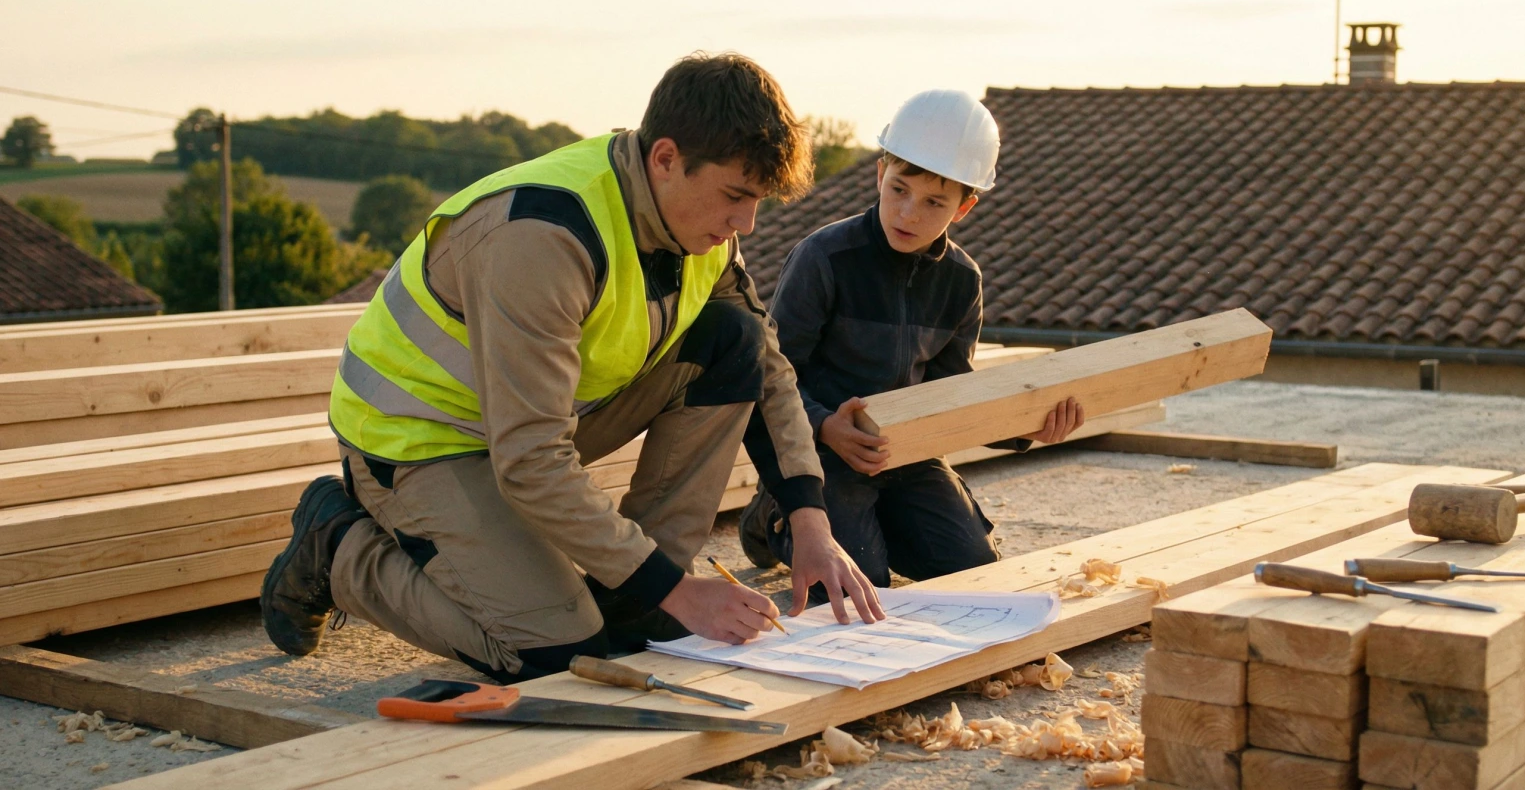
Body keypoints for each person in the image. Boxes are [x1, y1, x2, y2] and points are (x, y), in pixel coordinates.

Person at [260, 53, 885, 684]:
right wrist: (679, 593)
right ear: (666, 158)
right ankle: (338, 547)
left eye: (757, 202)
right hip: (419, 441)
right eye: (734, 197)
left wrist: (811, 523)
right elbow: (530, 461)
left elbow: (765, 365)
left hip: (529, 423)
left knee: (734, 337)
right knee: (558, 657)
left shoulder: (695, 222)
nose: (744, 223)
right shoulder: (541, 236)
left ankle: (633, 593)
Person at [740, 89, 1084, 594]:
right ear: (880, 174)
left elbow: (953, 392)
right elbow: (772, 375)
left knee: (976, 573)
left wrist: (1030, 424)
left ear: (963, 208)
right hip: (822, 452)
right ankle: (773, 514)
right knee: (860, 582)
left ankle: (873, 521)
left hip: (909, 452)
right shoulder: (824, 259)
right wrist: (825, 427)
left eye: (934, 203)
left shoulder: (962, 281)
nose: (908, 213)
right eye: (898, 189)